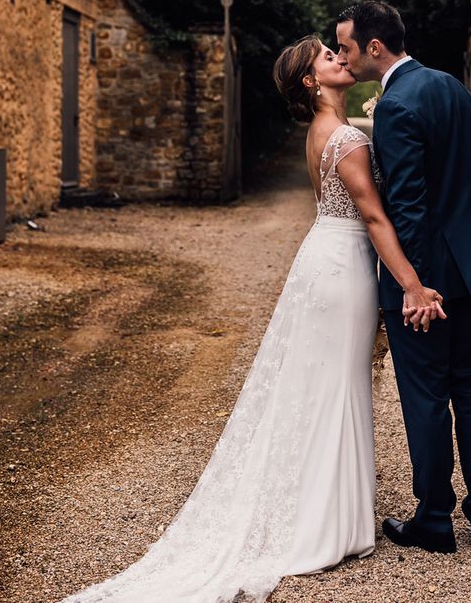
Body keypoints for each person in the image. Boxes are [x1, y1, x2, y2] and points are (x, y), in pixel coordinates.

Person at [59, 34, 445, 603]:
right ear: (311, 83)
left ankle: (332, 509)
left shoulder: (327, 134)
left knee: (326, 385)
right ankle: (325, 521)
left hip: (326, 259)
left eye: (336, 52)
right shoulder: (343, 138)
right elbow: (372, 215)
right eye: (327, 57)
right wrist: (413, 283)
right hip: (342, 268)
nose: (340, 57)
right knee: (337, 385)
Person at [336, 1, 471, 555]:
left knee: (425, 398)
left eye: (345, 46)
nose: (341, 56)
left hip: (427, 282)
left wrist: (413, 286)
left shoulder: (394, 106)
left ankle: (435, 519)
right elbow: (469, 179)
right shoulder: (450, 86)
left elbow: (409, 205)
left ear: (374, 47)